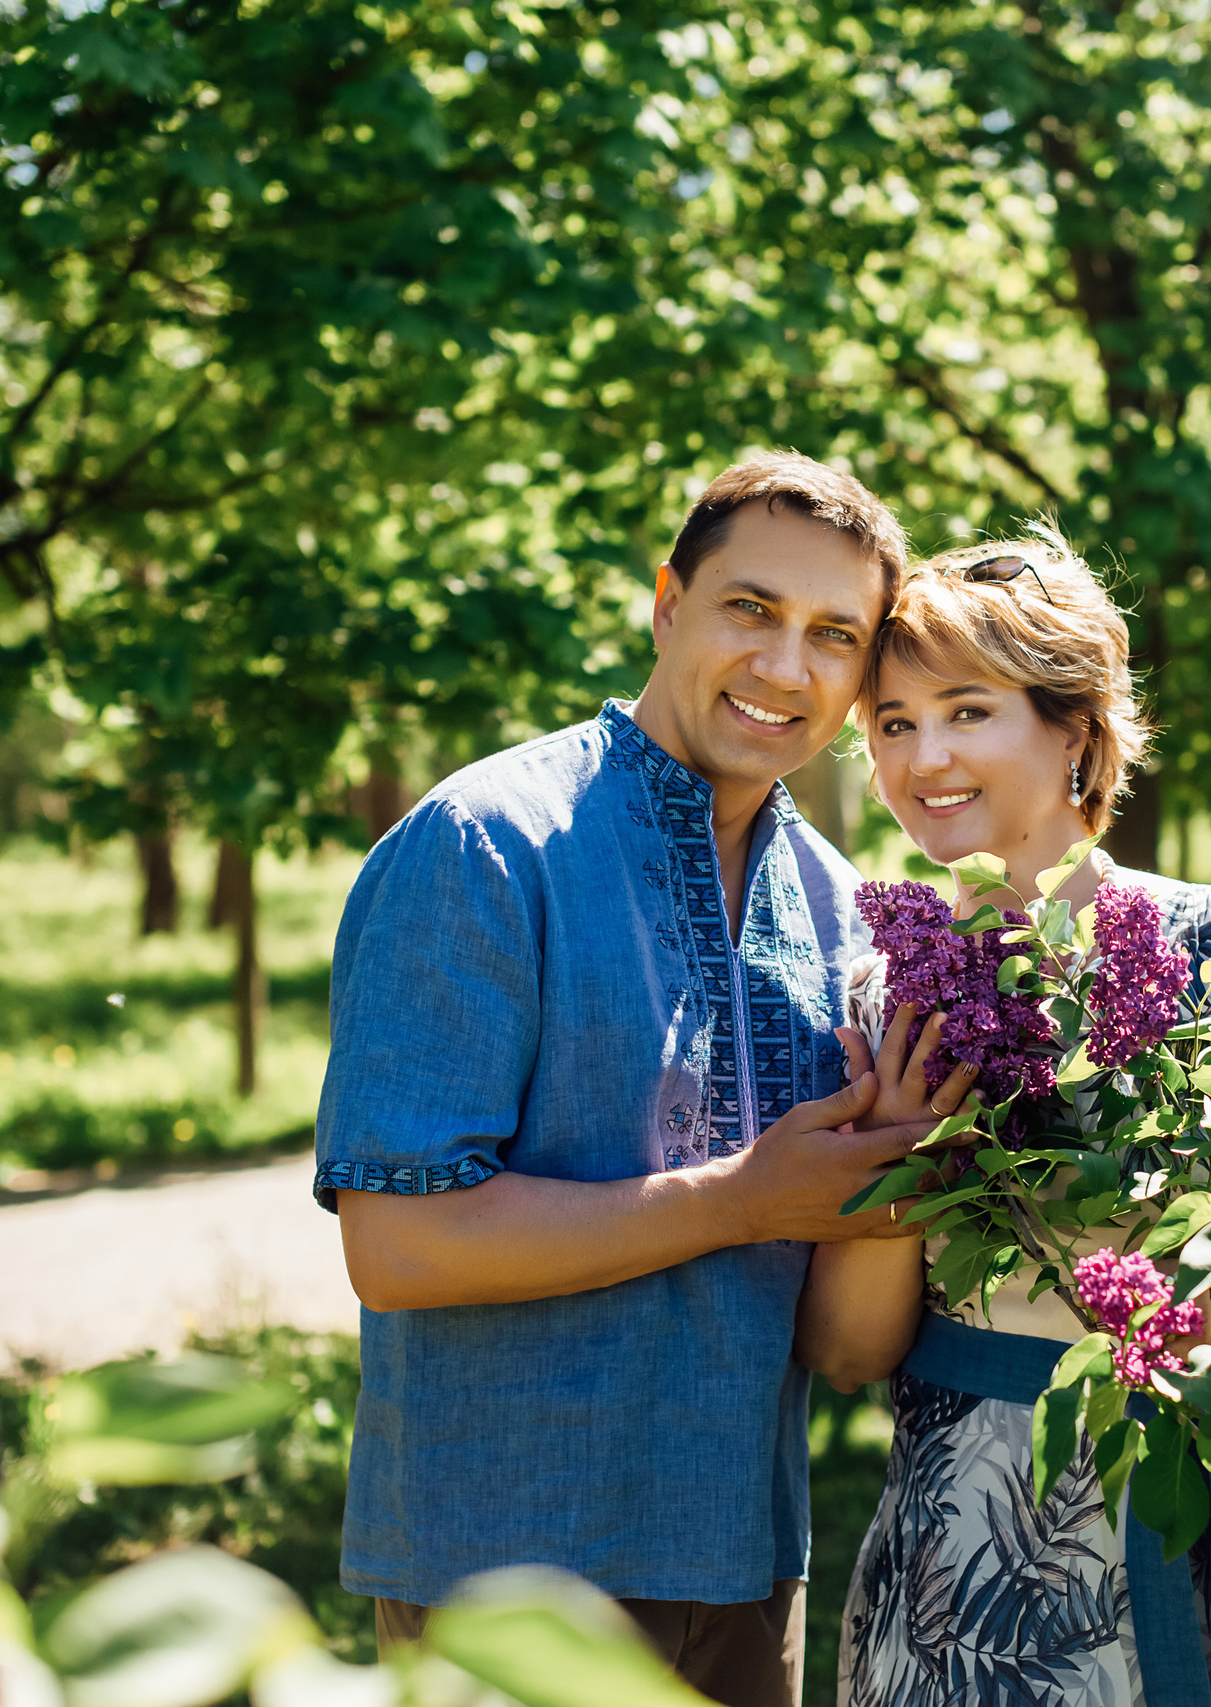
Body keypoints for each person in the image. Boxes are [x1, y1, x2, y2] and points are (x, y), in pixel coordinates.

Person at [315, 452, 941, 1707]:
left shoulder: (837, 907)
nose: (784, 668)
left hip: (747, 1572)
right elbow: (399, 1247)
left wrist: (899, 1176)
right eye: (749, 611)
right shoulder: (484, 844)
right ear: (667, 605)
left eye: (835, 636)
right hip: (501, 1580)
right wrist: (741, 1199)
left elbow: (831, 1335)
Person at [797, 528, 1211, 1707]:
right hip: (980, 1561)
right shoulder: (887, 992)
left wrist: (1161, 1306)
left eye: (967, 711)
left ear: (1075, 729)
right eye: (890, 722)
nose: (923, 756)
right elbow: (846, 1352)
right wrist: (902, 1160)